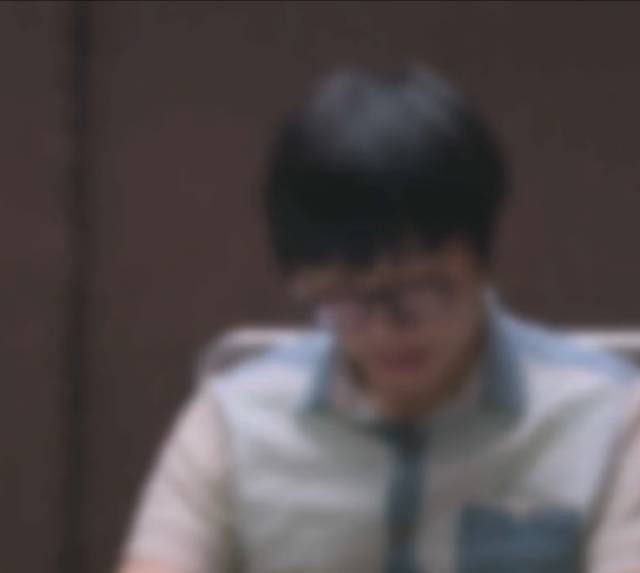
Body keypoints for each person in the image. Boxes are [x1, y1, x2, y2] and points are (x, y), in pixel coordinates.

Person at [116, 66, 640, 573]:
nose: (386, 329)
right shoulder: (234, 419)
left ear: (482, 264)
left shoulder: (610, 417)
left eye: (421, 293)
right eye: (347, 298)